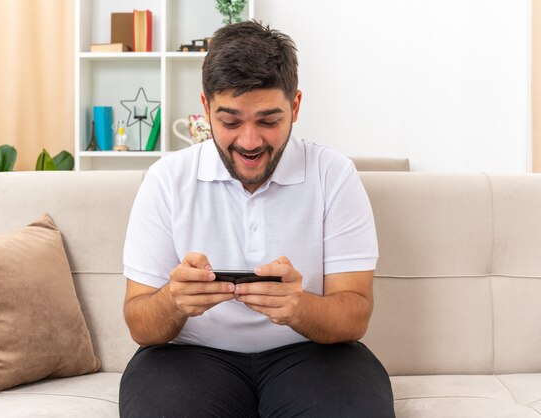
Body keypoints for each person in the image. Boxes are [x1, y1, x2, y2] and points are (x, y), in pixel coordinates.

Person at [119, 20, 395, 418]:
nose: (250, 142)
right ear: (205, 109)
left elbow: (355, 315)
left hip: (313, 355)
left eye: (268, 120)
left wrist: (300, 308)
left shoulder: (333, 175)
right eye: (230, 122)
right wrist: (173, 302)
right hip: (187, 358)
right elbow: (140, 325)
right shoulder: (167, 179)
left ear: (295, 106)